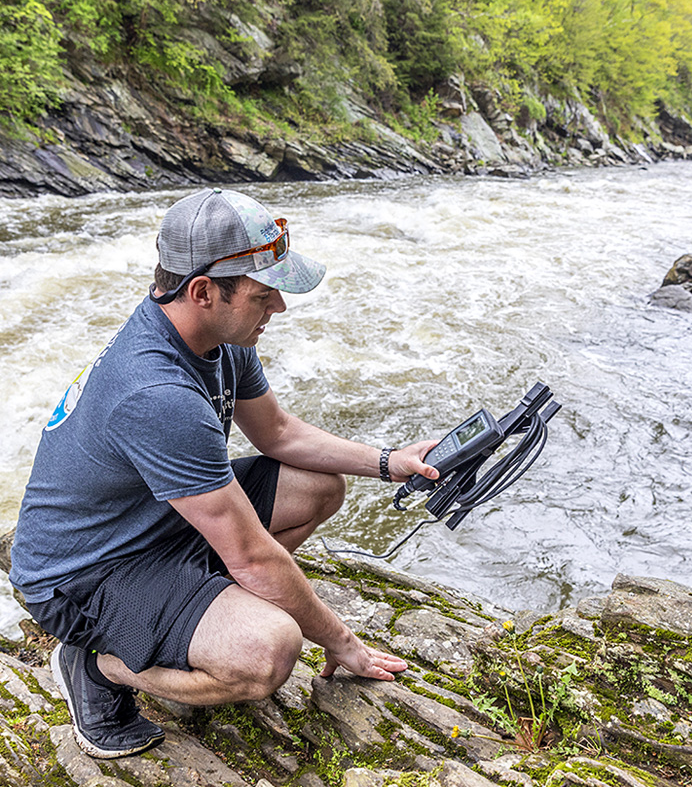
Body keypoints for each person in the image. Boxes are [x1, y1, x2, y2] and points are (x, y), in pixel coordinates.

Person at [9, 187, 439, 759]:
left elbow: (279, 433)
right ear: (204, 290)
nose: (279, 309)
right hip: (84, 576)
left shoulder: (215, 334)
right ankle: (100, 666)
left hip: (148, 525)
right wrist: (343, 643)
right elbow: (254, 557)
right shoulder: (157, 394)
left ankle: (192, 619)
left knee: (316, 488)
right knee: (270, 652)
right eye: (266, 295)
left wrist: (389, 463)